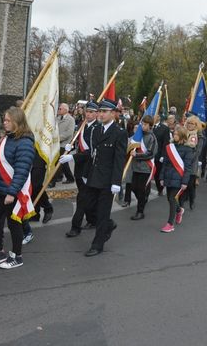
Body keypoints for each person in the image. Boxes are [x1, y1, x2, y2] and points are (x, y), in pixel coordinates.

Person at [0, 107, 35, 269]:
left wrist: (12, 192)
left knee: (14, 224)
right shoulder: (7, 138)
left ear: (17, 122)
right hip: (0, 187)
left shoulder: (25, 142)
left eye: (7, 120)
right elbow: (3, 156)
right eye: (4, 120)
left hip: (13, 190)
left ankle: (16, 256)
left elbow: (22, 169)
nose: (4, 123)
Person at [80, 98, 127, 257]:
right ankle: (109, 224)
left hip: (107, 179)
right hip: (94, 176)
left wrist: (116, 182)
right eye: (99, 111)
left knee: (102, 213)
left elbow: (119, 159)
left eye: (104, 111)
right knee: (87, 205)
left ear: (113, 113)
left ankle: (97, 244)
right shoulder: (96, 130)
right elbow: (93, 155)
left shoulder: (120, 133)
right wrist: (86, 174)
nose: (100, 114)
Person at [62, 101, 100, 237]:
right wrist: (70, 147)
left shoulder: (97, 128)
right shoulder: (81, 125)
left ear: (96, 113)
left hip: (88, 168)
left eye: (91, 112)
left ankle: (75, 226)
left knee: (82, 198)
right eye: (87, 112)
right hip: (79, 167)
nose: (88, 114)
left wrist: (72, 158)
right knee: (87, 196)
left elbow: (91, 151)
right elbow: (76, 142)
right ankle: (93, 220)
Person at [159, 126, 193, 232]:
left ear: (182, 136)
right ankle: (179, 210)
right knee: (169, 198)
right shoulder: (170, 147)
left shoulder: (188, 149)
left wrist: (185, 181)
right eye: (174, 134)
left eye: (177, 134)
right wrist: (161, 177)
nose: (174, 136)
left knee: (172, 198)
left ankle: (170, 224)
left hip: (179, 178)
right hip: (169, 177)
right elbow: (164, 164)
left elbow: (188, 167)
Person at [129, 115, 158, 220]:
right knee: (133, 187)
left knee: (140, 189)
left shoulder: (152, 137)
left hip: (145, 168)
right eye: (142, 123)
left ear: (150, 126)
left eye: (145, 124)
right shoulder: (138, 135)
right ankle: (143, 199)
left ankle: (140, 211)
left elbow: (151, 153)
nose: (143, 126)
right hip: (136, 167)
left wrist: (137, 155)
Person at [180, 115, 204, 210]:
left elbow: (197, 152)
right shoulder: (183, 133)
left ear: (196, 125)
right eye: (188, 123)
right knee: (182, 184)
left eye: (192, 123)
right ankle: (181, 203)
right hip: (181, 163)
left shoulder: (199, 137)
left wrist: (187, 159)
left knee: (190, 184)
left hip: (191, 164)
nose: (189, 125)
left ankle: (192, 199)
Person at [54, 103, 75, 185]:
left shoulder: (71, 120)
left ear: (66, 110)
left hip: (65, 144)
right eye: (59, 108)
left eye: (60, 109)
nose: (59, 110)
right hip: (56, 143)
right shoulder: (58, 118)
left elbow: (69, 133)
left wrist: (58, 138)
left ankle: (67, 178)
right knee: (61, 161)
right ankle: (61, 176)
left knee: (61, 161)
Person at [152, 114, 171, 196]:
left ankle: (160, 188)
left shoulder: (164, 128)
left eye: (155, 116)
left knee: (157, 174)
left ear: (158, 118)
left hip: (158, 154)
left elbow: (165, 142)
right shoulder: (148, 126)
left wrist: (163, 155)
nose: (153, 117)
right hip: (148, 154)